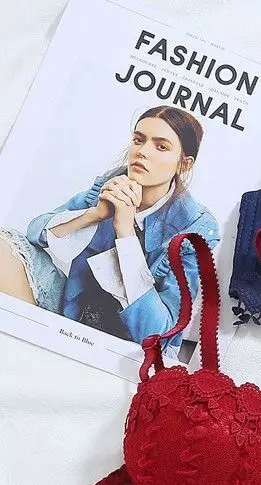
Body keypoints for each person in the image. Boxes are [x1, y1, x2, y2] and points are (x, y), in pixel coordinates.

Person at [0, 105, 219, 348]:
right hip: (74, 313)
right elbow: (34, 234)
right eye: (139, 140)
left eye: (161, 147)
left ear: (184, 164)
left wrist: (125, 232)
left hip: (128, 346)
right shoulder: (112, 184)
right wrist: (95, 214)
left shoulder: (196, 229)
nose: (142, 152)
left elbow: (159, 336)